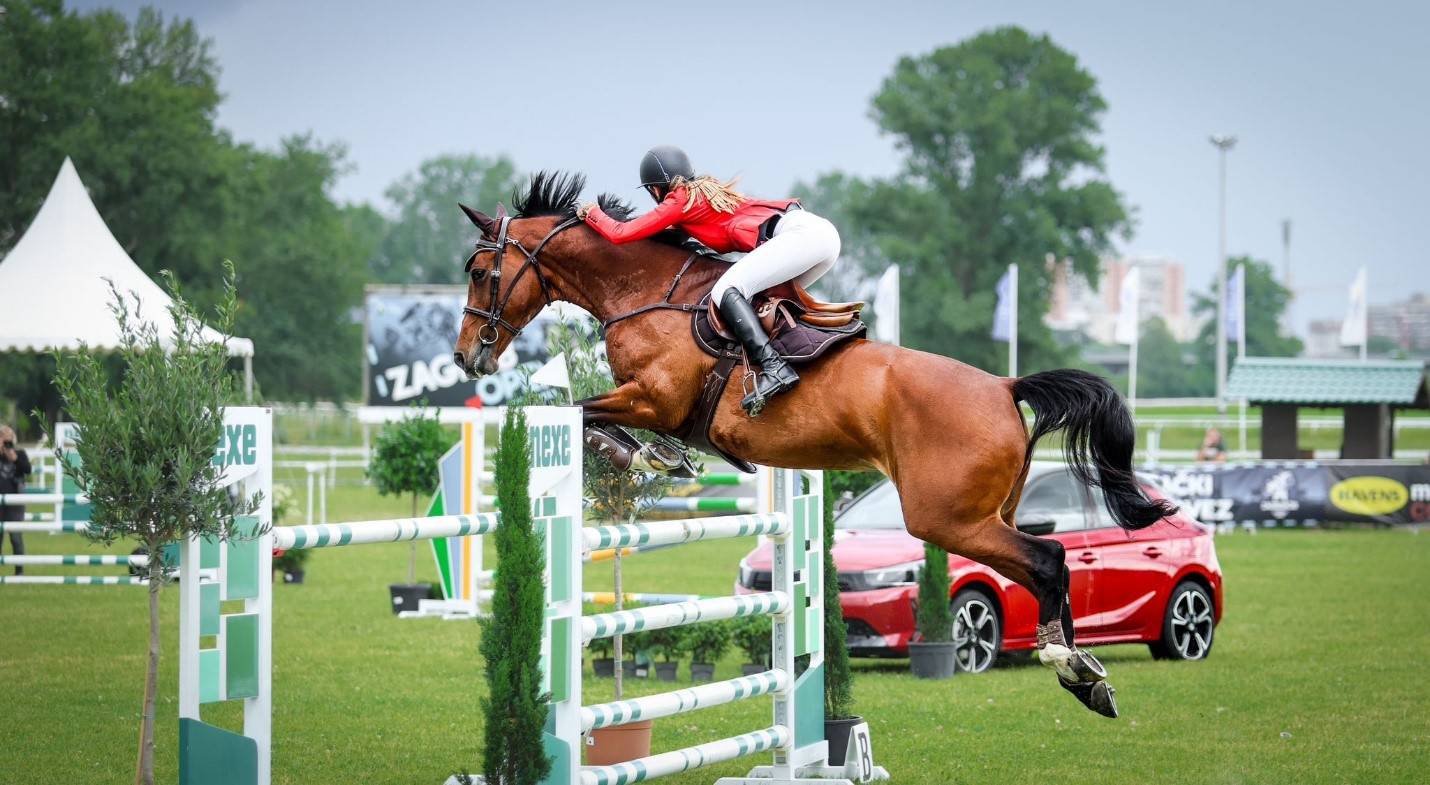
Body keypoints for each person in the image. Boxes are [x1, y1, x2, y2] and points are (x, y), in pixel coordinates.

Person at [576, 145, 842, 416]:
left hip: (800, 236)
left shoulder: (679, 198)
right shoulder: (698, 196)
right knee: (765, 303)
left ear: (656, 189)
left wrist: (592, 213)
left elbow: (622, 233)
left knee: (726, 289)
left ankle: (775, 368)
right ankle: (796, 366)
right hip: (820, 237)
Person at [0, 424, 32, 575]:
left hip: (15, 503)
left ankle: (19, 571)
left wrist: (15, 458)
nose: (7, 445)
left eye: (9, 441)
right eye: (4, 441)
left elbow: (28, 469)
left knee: (16, 538)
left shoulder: (20, 453)